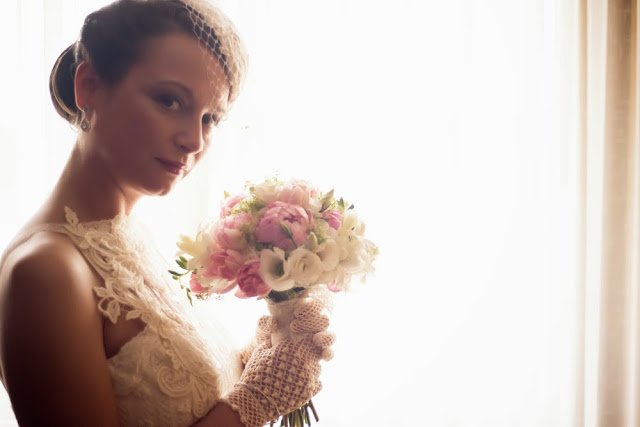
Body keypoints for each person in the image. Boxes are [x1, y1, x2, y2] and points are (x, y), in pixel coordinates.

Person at [0, 0, 333, 426]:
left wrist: (271, 353)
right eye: (170, 101)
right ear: (89, 87)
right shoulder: (47, 271)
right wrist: (256, 400)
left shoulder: (130, 234)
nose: (194, 140)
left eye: (210, 118)